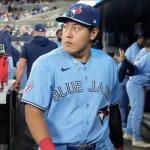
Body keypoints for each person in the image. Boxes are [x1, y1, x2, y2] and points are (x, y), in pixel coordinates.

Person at [21, 4, 123, 150]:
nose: (67, 34)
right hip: (58, 147)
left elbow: (113, 109)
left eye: (76, 28)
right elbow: (33, 112)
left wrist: (119, 146)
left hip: (101, 145)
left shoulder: (108, 64)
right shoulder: (45, 64)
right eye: (65, 27)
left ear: (93, 33)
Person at [115, 39, 150, 148]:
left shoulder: (145, 53)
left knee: (134, 110)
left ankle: (129, 132)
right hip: (136, 84)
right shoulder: (148, 55)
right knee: (137, 112)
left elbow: (134, 65)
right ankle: (137, 138)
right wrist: (124, 62)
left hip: (134, 83)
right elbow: (134, 67)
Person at [14, 23, 57, 91]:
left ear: (34, 32)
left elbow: (21, 65)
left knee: (33, 101)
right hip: (49, 80)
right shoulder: (54, 45)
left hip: (32, 81)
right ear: (45, 33)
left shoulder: (27, 45)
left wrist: (17, 82)